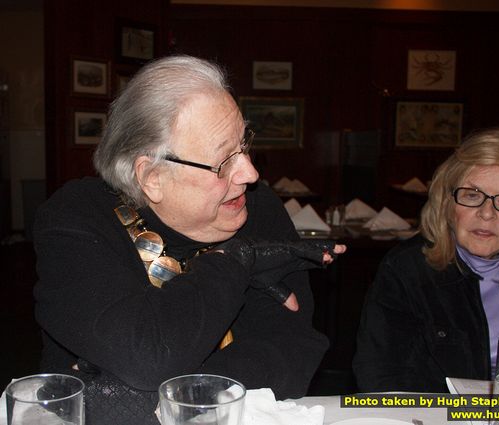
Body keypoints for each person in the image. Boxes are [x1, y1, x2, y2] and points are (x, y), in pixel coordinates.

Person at [33, 55, 346, 425]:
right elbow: (147, 355)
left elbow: (291, 349)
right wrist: (236, 261)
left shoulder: (257, 208)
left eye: (244, 145)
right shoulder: (78, 218)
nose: (250, 172)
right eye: (223, 161)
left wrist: (159, 388)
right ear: (151, 177)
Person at [353, 128, 499, 393]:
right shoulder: (406, 270)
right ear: (447, 202)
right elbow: (381, 380)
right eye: (472, 195)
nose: (487, 214)